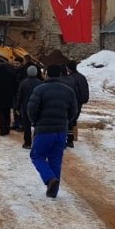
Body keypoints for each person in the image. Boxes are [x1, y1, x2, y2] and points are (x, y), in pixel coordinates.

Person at [28, 64, 78, 198]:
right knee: (55, 160)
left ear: (46, 74)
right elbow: (74, 110)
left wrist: (35, 121)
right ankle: (53, 191)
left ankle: (50, 179)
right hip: (61, 130)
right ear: (60, 75)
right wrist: (65, 121)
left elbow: (31, 109)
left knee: (37, 156)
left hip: (44, 130)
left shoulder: (39, 89)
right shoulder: (68, 90)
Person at [17, 65, 43, 149]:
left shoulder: (23, 83)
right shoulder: (40, 83)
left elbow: (20, 96)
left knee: (27, 126)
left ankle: (27, 143)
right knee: (37, 125)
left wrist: (17, 106)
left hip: (26, 107)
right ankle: (36, 142)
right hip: (38, 107)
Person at [0, 62, 18, 136]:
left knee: (0, 114)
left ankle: (2, 130)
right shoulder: (11, 74)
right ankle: (7, 129)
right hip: (8, 96)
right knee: (7, 113)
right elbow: (15, 85)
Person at [67, 61, 90, 148]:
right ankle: (72, 138)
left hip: (72, 102)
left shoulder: (70, 78)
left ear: (69, 68)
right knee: (73, 120)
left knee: (70, 121)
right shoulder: (82, 77)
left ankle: (70, 140)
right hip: (80, 102)